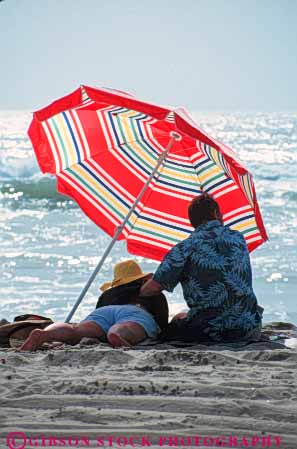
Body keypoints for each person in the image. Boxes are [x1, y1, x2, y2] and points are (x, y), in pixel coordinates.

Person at [140, 193, 263, 343]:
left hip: (209, 331)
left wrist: (137, 289)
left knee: (177, 319)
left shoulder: (184, 248)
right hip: (248, 326)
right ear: (216, 214)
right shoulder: (238, 238)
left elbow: (153, 288)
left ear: (192, 221)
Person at [20, 260, 168, 351]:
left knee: (76, 330)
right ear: (141, 279)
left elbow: (98, 312)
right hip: (136, 312)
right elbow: (162, 323)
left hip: (104, 313)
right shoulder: (152, 293)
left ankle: (45, 334)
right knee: (124, 327)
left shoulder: (109, 294)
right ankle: (116, 334)